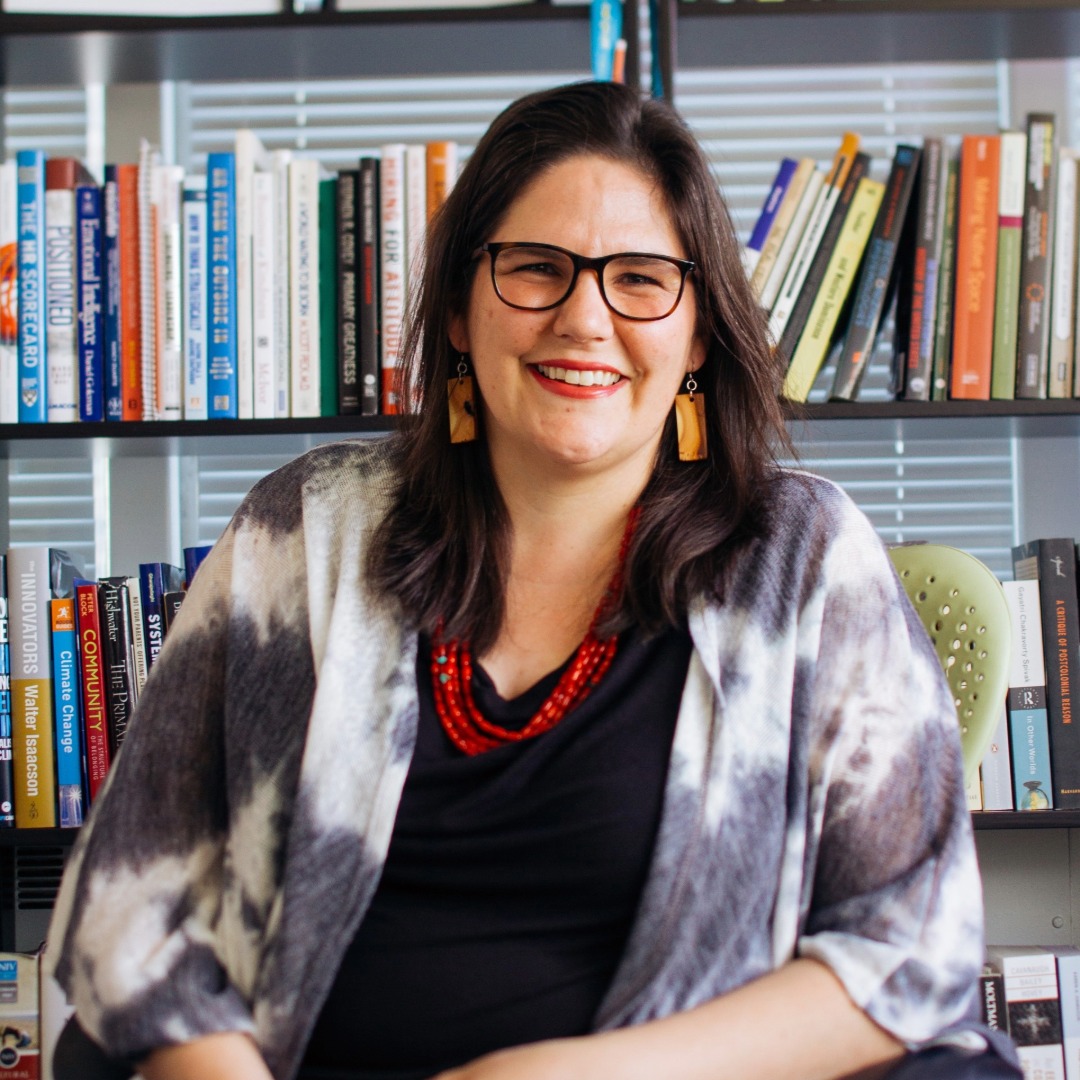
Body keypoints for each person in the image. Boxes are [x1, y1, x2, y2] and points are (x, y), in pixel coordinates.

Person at [44, 81, 1015, 1080]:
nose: (584, 318)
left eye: (640, 279)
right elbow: (134, 905)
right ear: (462, 311)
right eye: (537, 270)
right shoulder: (302, 532)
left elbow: (907, 950)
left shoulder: (800, 556)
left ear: (696, 336)